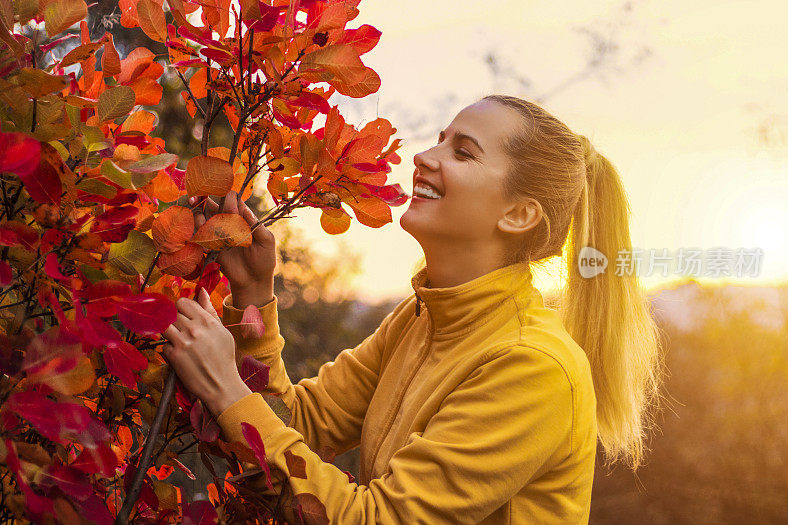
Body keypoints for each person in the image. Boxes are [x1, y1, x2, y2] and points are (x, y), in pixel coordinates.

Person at [162, 94, 663, 524]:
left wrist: (225, 390)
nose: (424, 155)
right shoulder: (421, 317)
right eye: (440, 139)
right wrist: (252, 297)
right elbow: (302, 423)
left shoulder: (534, 366)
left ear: (518, 214)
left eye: (463, 153)